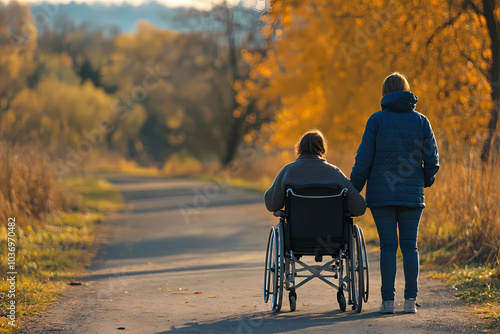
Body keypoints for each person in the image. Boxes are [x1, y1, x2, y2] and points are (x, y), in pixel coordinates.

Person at [350, 72, 439, 314]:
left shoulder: (376, 120)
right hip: (412, 195)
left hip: (381, 195)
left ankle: (387, 303)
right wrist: (425, 180)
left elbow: (363, 160)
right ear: (406, 90)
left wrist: (353, 189)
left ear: (384, 93)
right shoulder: (422, 121)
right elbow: (432, 159)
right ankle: (410, 302)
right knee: (410, 247)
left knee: (388, 246)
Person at [264, 130, 366, 217]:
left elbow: (271, 204)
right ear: (322, 149)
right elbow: (359, 208)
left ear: (299, 148)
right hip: (331, 234)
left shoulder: (288, 171)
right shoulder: (334, 173)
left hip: (297, 233)